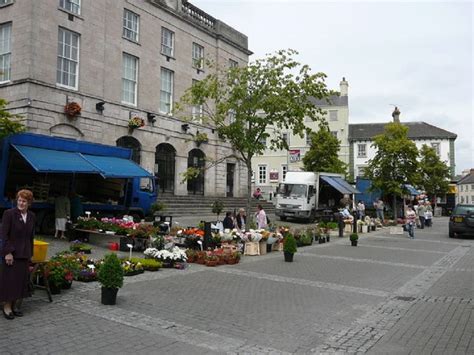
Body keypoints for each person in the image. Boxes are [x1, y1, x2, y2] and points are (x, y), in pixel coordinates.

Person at [0, 189, 36, 320]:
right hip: (12, 254)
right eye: (19, 200)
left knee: (20, 282)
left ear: (29, 203)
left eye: (24, 201)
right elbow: (4, 235)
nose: (21, 203)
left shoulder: (32, 216)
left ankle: (15, 306)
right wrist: (8, 252)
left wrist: (30, 253)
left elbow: (31, 236)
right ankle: (7, 306)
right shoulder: (9, 214)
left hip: (24, 254)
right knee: (10, 282)